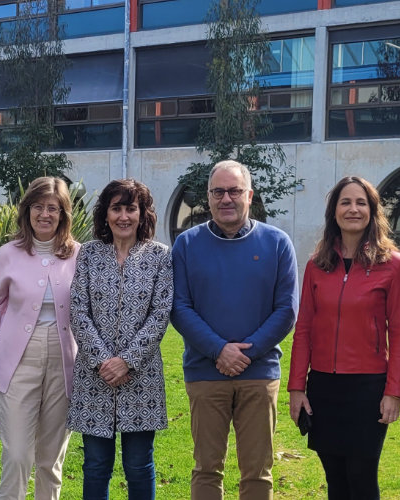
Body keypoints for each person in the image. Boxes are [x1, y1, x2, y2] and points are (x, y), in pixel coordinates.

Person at [170, 160, 297, 500]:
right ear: (208, 198)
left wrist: (246, 353)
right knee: (206, 470)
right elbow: (179, 308)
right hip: (205, 373)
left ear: (250, 195)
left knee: (257, 472)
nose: (226, 198)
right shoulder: (186, 244)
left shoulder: (277, 243)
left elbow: (286, 310)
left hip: (259, 374)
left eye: (234, 191)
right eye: (218, 192)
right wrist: (218, 350)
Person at [287, 177, 400, 500]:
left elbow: (399, 334)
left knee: (361, 477)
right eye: (345, 202)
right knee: (336, 480)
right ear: (334, 212)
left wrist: (394, 391)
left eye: (361, 203)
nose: (353, 209)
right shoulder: (316, 266)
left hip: (368, 389)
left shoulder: (393, 266)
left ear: (372, 211)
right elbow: (303, 330)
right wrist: (297, 388)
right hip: (324, 388)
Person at [68, 179, 173, 500]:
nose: (123, 216)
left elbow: (161, 312)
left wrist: (126, 361)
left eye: (131, 208)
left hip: (141, 377)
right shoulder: (88, 254)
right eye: (117, 208)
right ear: (106, 214)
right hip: (94, 376)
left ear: (143, 214)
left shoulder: (160, 257)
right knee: (96, 464)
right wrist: (104, 361)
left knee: (139, 464)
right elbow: (77, 310)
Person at [0, 177, 79, 500]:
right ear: (27, 211)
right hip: (17, 362)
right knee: (18, 454)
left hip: (65, 364)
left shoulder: (79, 254)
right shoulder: (8, 254)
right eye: (38, 206)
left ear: (63, 213)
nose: (45, 214)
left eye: (53, 207)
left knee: (50, 460)